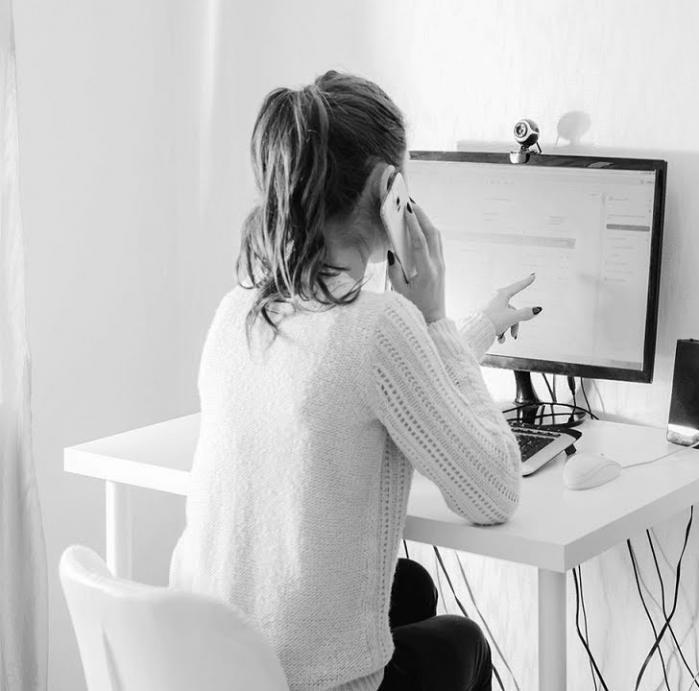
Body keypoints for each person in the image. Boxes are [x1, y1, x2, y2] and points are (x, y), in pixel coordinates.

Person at [169, 70, 537, 691]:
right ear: (388, 189)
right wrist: (436, 318)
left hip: (214, 666)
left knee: (411, 587)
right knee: (463, 641)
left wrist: (479, 326)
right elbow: (495, 492)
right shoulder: (380, 325)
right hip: (313, 682)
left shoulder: (240, 310)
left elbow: (378, 382)